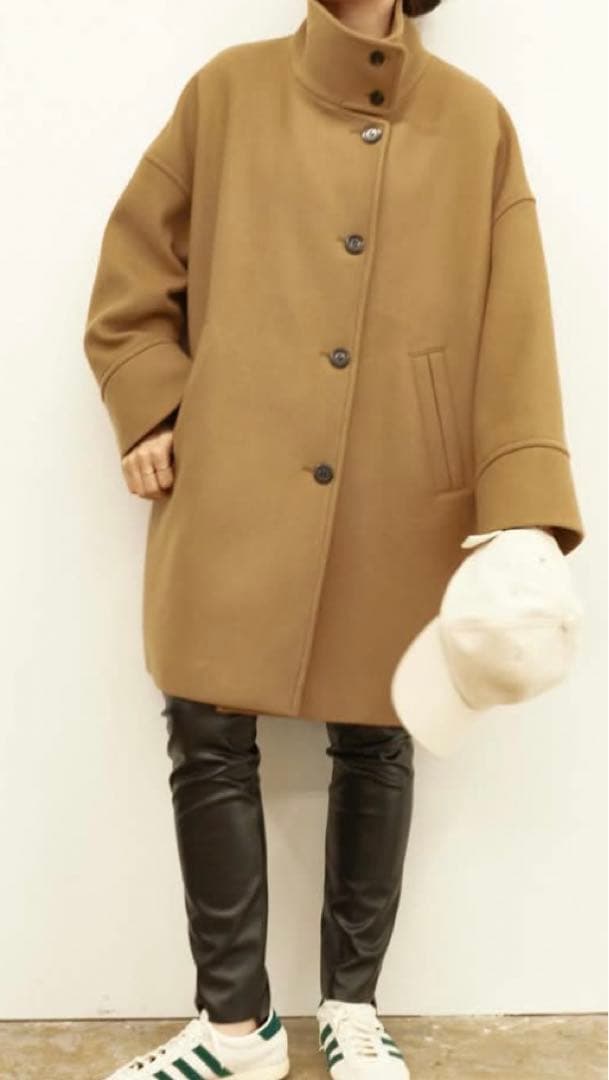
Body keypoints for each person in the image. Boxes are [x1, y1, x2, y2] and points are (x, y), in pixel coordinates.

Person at [84, 0, 584, 1077]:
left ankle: (352, 1010)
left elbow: (518, 325)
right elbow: (132, 275)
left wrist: (522, 502)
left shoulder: (474, 122)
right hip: (233, 468)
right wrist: (150, 406)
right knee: (205, 721)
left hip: (402, 481)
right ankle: (234, 1030)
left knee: (380, 727)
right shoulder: (227, 92)